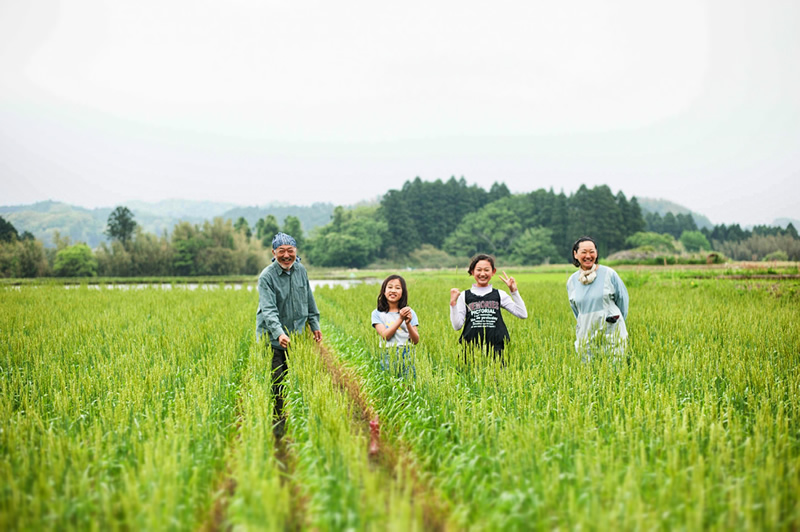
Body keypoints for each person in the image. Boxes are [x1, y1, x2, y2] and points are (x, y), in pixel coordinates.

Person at [256, 232, 322, 435]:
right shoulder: (267, 276)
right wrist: (279, 333)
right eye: (281, 251)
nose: (286, 255)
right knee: (277, 382)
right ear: (273, 252)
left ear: (295, 252)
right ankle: (279, 428)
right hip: (274, 340)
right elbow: (268, 310)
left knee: (299, 379)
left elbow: (308, 298)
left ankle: (301, 422)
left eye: (290, 251)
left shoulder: (300, 270)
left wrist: (314, 323)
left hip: (297, 337)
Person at [449, 253, 527, 362]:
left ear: (493, 272)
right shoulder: (464, 296)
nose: (482, 274)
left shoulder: (500, 294)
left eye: (486, 270)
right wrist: (453, 304)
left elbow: (522, 314)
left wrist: (514, 291)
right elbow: (457, 326)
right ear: (472, 272)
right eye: (478, 270)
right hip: (471, 349)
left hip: (497, 348)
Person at [566, 236, 629, 362]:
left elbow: (622, 301)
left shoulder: (609, 274)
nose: (588, 256)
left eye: (592, 251)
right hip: (586, 332)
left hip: (611, 330)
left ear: (596, 253)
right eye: (584, 252)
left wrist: (613, 318)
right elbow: (577, 311)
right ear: (575, 254)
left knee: (614, 368)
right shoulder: (572, 281)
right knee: (588, 370)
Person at [371, 274, 419, 376]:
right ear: (384, 291)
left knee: (408, 385)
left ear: (403, 293)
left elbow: (415, 340)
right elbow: (385, 336)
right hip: (387, 353)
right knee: (389, 383)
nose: (393, 291)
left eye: (397, 288)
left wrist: (408, 323)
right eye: (390, 287)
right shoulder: (377, 313)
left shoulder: (410, 312)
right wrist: (401, 319)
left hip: (407, 353)